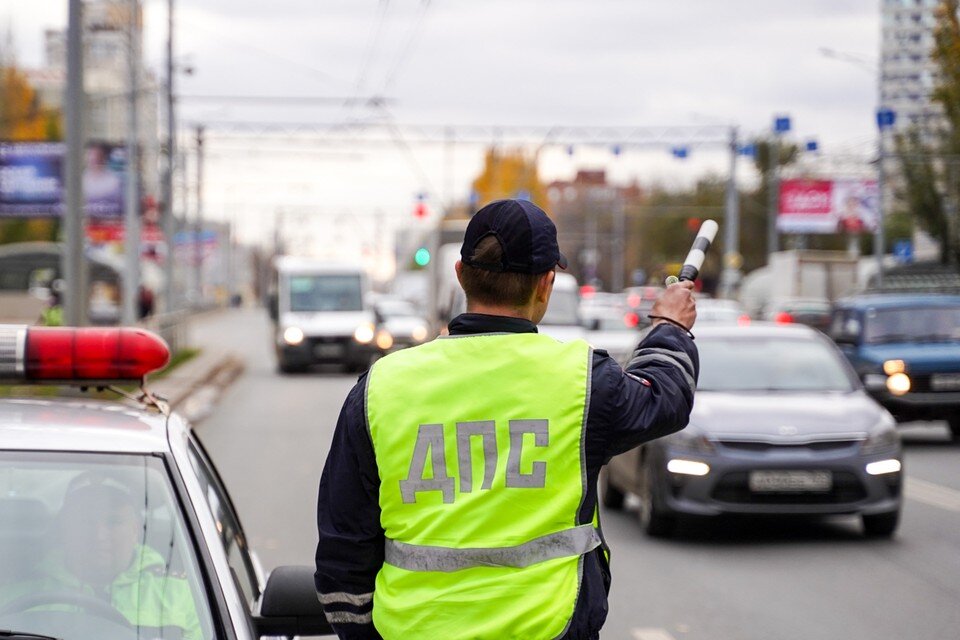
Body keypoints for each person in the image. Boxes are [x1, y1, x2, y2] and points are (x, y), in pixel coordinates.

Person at [315, 199, 698, 640]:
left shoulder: (381, 386)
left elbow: (343, 549)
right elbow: (667, 398)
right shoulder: (583, 382)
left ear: (460, 274)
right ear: (546, 285)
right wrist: (670, 326)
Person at [0, 473, 202, 638]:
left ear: (135, 530)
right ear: (64, 529)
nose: (99, 535)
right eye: (86, 522)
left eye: (113, 522)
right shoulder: (14, 594)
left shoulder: (182, 596)